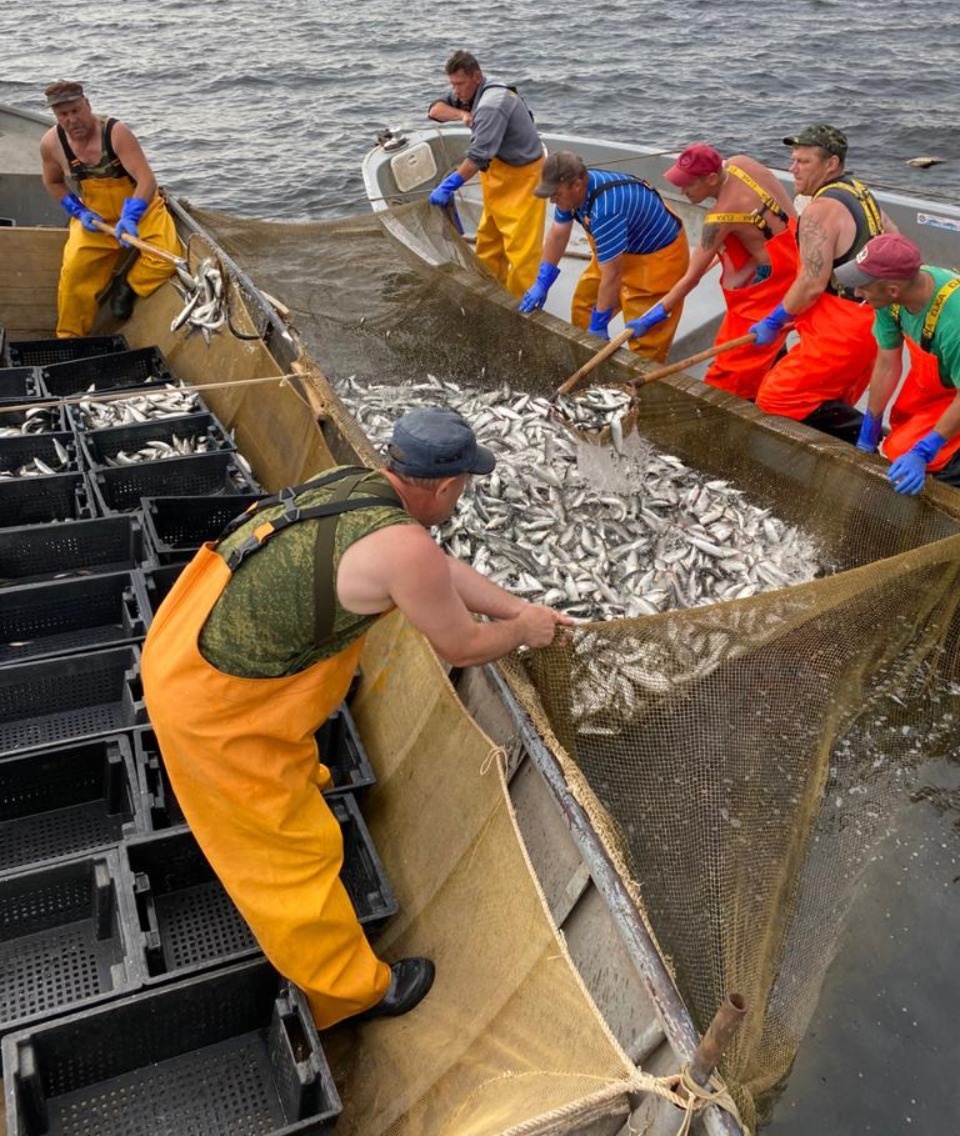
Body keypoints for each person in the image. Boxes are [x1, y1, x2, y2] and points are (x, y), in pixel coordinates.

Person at [141, 407, 571, 1031]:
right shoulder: (406, 549)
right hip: (214, 710)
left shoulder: (356, 483)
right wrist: (524, 631)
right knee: (292, 860)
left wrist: (515, 607)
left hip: (182, 640)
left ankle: (290, 789)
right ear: (447, 487)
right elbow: (462, 646)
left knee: (287, 778)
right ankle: (349, 993)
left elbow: (437, 572)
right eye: (464, 485)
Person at [748, 123, 898, 442]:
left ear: (831, 164)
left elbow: (812, 283)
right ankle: (855, 445)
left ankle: (882, 443)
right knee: (830, 398)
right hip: (873, 320)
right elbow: (896, 241)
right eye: (792, 160)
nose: (793, 169)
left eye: (804, 162)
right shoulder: (860, 192)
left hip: (841, 328)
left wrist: (776, 319)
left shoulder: (820, 208)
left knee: (776, 397)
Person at [650, 143, 800, 399]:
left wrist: (657, 313)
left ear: (710, 178)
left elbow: (691, 279)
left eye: (687, 184)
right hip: (799, 249)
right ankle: (775, 362)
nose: (681, 190)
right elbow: (787, 211)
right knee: (771, 340)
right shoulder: (742, 163)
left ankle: (744, 397)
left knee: (730, 367)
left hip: (775, 280)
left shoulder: (718, 219)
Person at [39, 80, 179, 338]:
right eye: (63, 114)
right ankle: (69, 337)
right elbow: (52, 182)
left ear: (87, 105)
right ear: (56, 116)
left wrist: (131, 215)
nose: (72, 120)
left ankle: (127, 285)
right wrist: (78, 211)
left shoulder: (115, 132)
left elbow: (147, 180)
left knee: (166, 257)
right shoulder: (51, 143)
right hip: (96, 217)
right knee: (73, 275)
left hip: (140, 207)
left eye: (76, 110)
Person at [519, 150, 688, 362]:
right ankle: (584, 357)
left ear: (577, 185)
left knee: (646, 339)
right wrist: (543, 281)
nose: (552, 200)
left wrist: (599, 324)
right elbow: (558, 234)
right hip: (618, 250)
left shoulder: (605, 210)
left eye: (556, 194)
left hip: (657, 259)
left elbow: (613, 275)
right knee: (584, 305)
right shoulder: (570, 196)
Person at [835, 233, 960, 495]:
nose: (857, 293)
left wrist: (926, 450)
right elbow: (887, 362)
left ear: (893, 290)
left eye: (863, 286)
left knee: (937, 464)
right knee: (898, 446)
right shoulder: (889, 300)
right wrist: (870, 424)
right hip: (942, 387)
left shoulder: (954, 323)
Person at [426, 50, 545, 299]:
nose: (456, 91)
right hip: (497, 182)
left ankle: (522, 310)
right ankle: (490, 295)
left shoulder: (492, 105)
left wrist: (451, 184)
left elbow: (478, 156)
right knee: (489, 244)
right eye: (452, 85)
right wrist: (462, 114)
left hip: (523, 181)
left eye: (459, 84)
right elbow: (434, 110)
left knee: (522, 253)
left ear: (476, 77)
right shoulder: (470, 94)